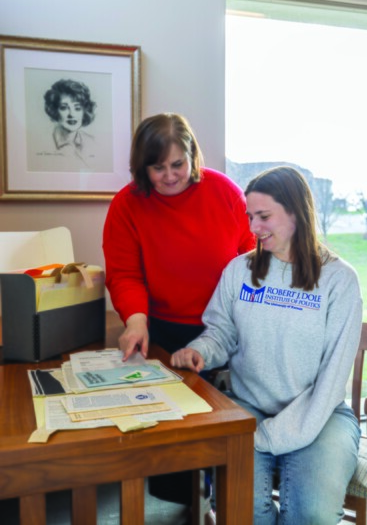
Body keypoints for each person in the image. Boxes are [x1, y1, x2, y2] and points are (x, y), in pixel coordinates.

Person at [171, 165, 363, 524]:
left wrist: (269, 437)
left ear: (296, 212)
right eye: (250, 216)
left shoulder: (340, 280)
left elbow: (332, 379)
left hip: (320, 417)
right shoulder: (239, 270)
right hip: (247, 407)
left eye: (263, 216)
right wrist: (201, 350)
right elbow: (221, 332)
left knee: (310, 515)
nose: (253, 228)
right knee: (242, 513)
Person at [102, 112, 255, 512]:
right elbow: (124, 274)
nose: (170, 176)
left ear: (193, 157)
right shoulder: (126, 205)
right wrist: (135, 318)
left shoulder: (224, 193)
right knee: (171, 466)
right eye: (157, 167)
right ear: (142, 167)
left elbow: (252, 262)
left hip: (225, 330)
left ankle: (219, 499)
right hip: (162, 333)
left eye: (178, 165)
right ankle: (189, 505)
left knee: (219, 437)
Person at [43, 78, 97, 168]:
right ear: (54, 110)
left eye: (77, 108)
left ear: (85, 111)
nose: (72, 114)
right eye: (64, 108)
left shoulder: (93, 142)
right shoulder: (43, 143)